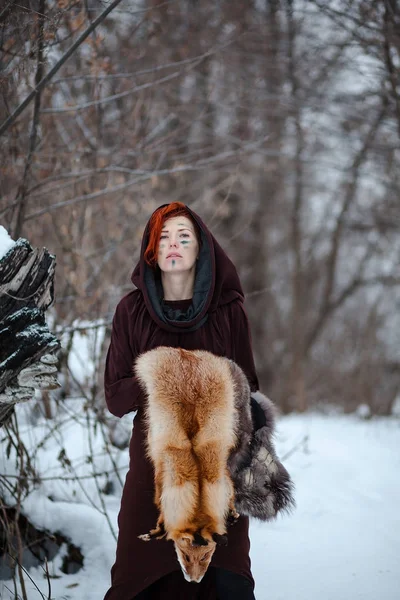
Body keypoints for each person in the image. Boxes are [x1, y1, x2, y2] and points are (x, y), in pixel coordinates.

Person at [103, 202, 260, 600]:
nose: (173, 244)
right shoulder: (131, 310)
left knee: (225, 586)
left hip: (218, 476)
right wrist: (167, 374)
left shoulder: (229, 312)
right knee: (139, 586)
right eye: (164, 237)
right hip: (152, 480)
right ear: (152, 250)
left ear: (201, 249)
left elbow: (249, 390)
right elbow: (115, 396)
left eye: (184, 237)